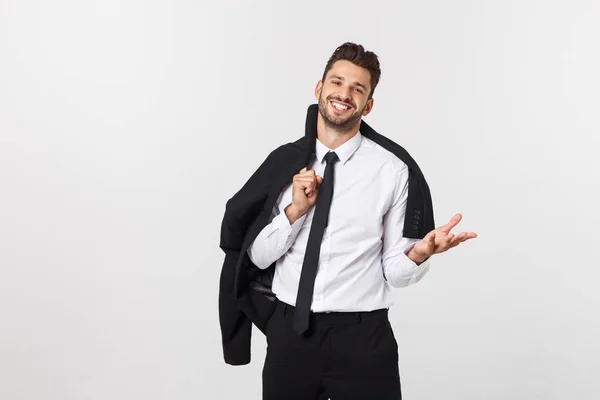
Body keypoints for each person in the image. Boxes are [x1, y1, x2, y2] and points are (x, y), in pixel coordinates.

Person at [221, 42, 477, 400]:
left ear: (368, 105)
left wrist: (419, 253)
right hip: (290, 335)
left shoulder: (393, 170)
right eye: (337, 83)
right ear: (319, 89)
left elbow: (395, 274)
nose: (344, 94)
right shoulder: (284, 163)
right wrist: (293, 212)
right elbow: (255, 258)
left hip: (363, 339)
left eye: (357, 89)